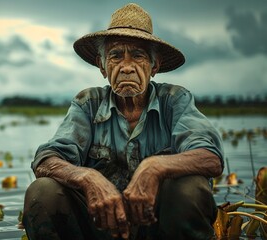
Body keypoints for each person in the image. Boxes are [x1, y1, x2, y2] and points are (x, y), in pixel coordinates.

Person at [23, 3, 223, 240]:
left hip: (159, 224)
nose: (126, 67)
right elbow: (47, 160)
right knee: (42, 192)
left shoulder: (174, 100)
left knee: (190, 187)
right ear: (102, 66)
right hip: (101, 224)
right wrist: (88, 178)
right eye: (116, 56)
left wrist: (154, 167)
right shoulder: (88, 103)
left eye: (138, 56)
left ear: (154, 66)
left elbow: (210, 157)